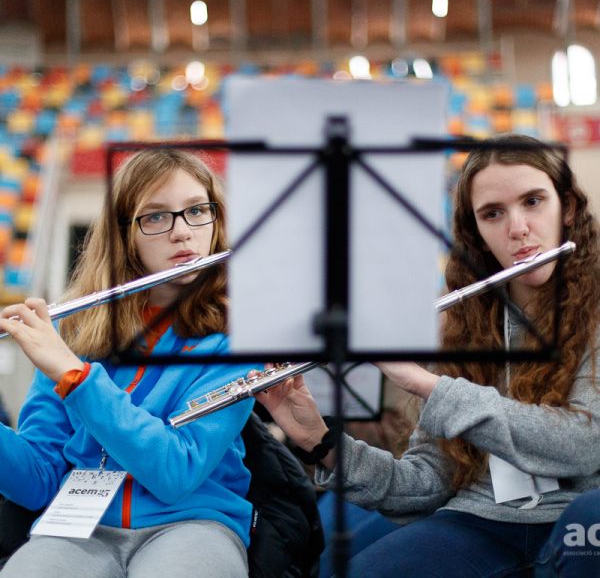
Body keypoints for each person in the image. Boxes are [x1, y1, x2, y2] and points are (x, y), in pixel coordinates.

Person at [257, 134, 600, 577]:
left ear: (568, 208)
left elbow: (585, 445)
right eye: (493, 213)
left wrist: (425, 383)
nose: (517, 228)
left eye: (533, 201)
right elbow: (427, 486)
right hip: (484, 520)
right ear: (476, 231)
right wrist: (320, 442)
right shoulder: (465, 325)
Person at [0, 149, 260, 578]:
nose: (182, 233)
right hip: (78, 528)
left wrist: (77, 378)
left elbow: (176, 471)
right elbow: (38, 480)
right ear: (124, 236)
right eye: (156, 217)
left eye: (197, 210)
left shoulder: (237, 338)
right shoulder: (76, 333)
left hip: (192, 525)